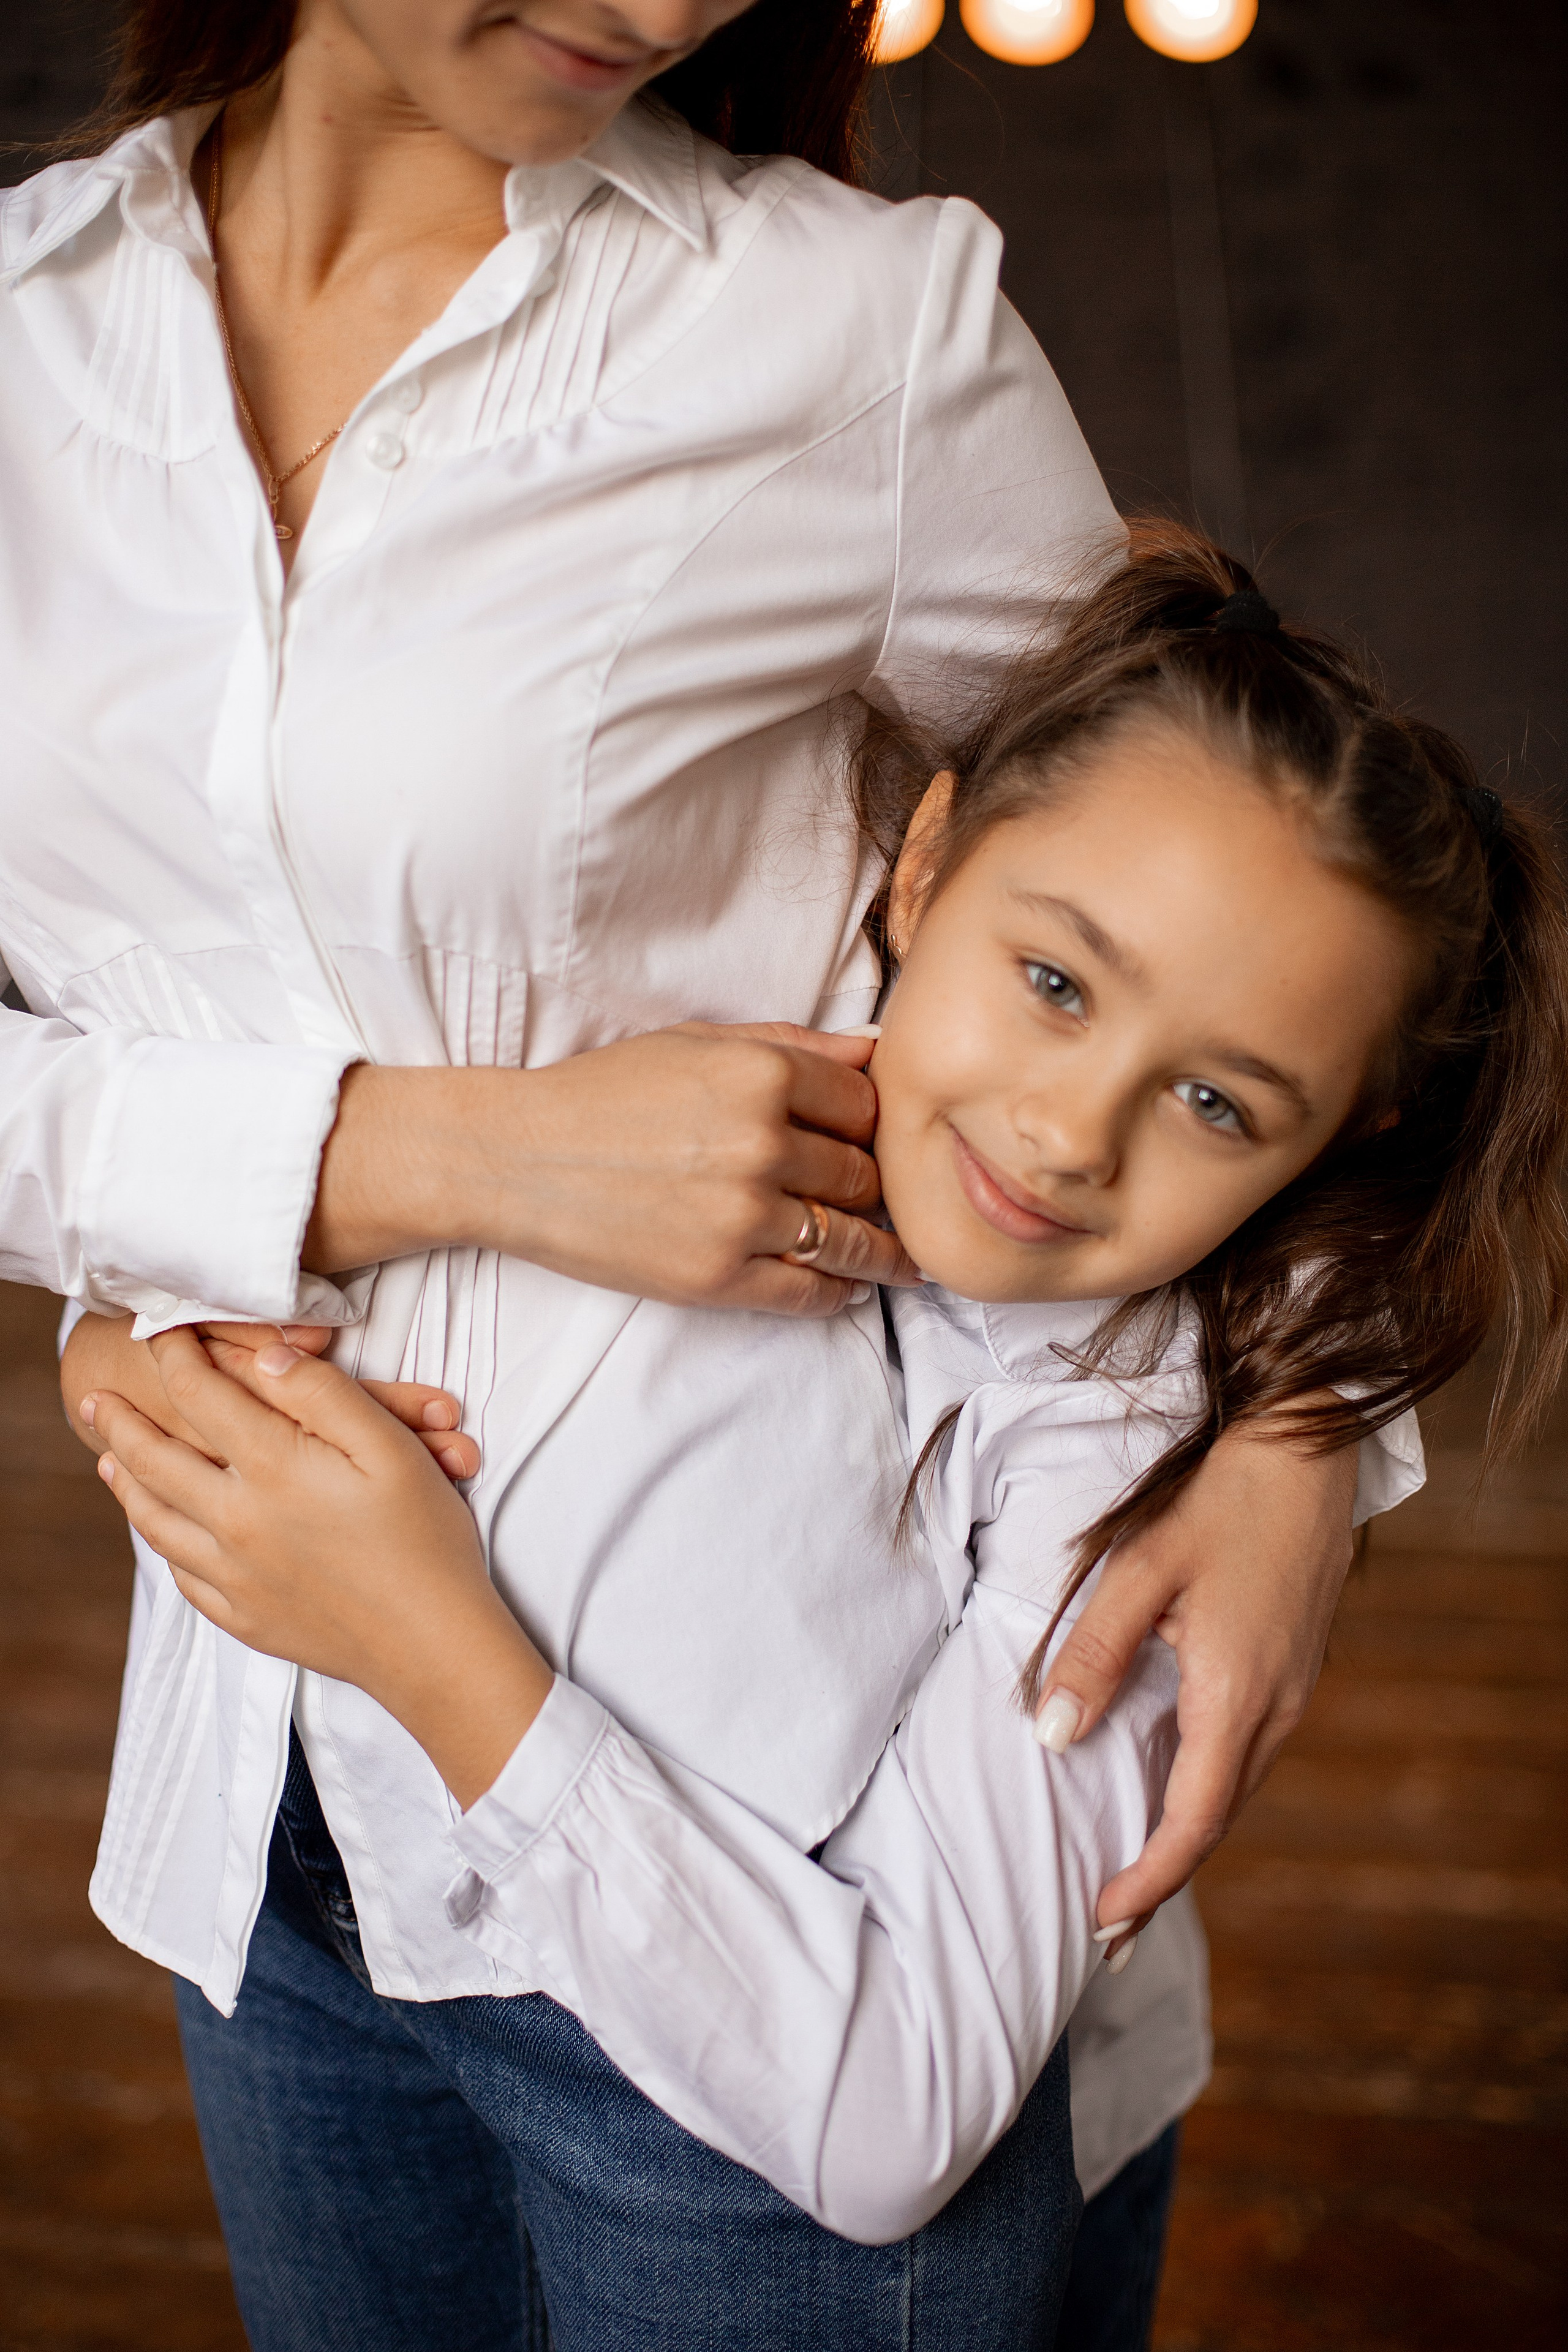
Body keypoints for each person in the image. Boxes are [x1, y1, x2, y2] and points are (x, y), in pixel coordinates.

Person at [0, 0, 1434, 2330]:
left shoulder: (848, 333)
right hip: (264, 1782)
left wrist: (1293, 1435)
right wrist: (387, 1171)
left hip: (794, 1803)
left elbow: (1209, 869)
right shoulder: (15, 333)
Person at [75, 529, 1568, 2343]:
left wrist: (424, 1640)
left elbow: (887, 2128)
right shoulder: (666, 976)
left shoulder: (1126, 1460)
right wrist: (125, 1321)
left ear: (1334, 1134)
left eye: (1211, 1099)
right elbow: (250, 1094)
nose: (1071, 1134)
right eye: (1058, 983)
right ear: (924, 862)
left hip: (741, 2157)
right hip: (302, 1919)